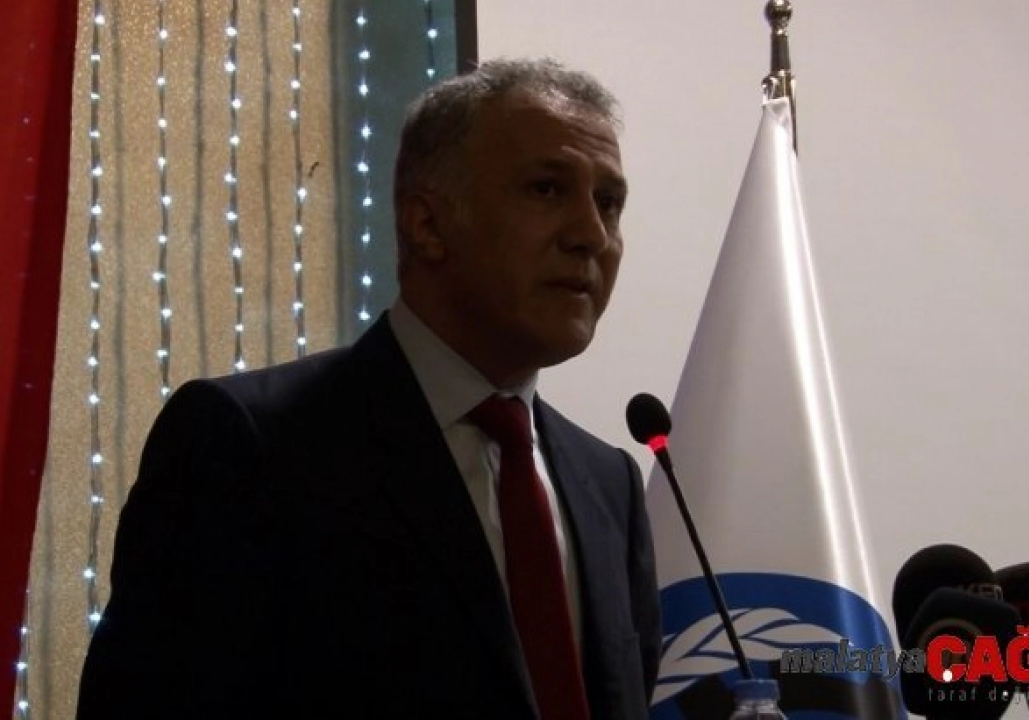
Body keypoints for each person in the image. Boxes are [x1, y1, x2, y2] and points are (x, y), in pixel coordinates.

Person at [77, 57, 661, 719]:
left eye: (609, 203)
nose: (590, 235)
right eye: (546, 189)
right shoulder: (249, 444)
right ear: (426, 224)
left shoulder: (609, 484)